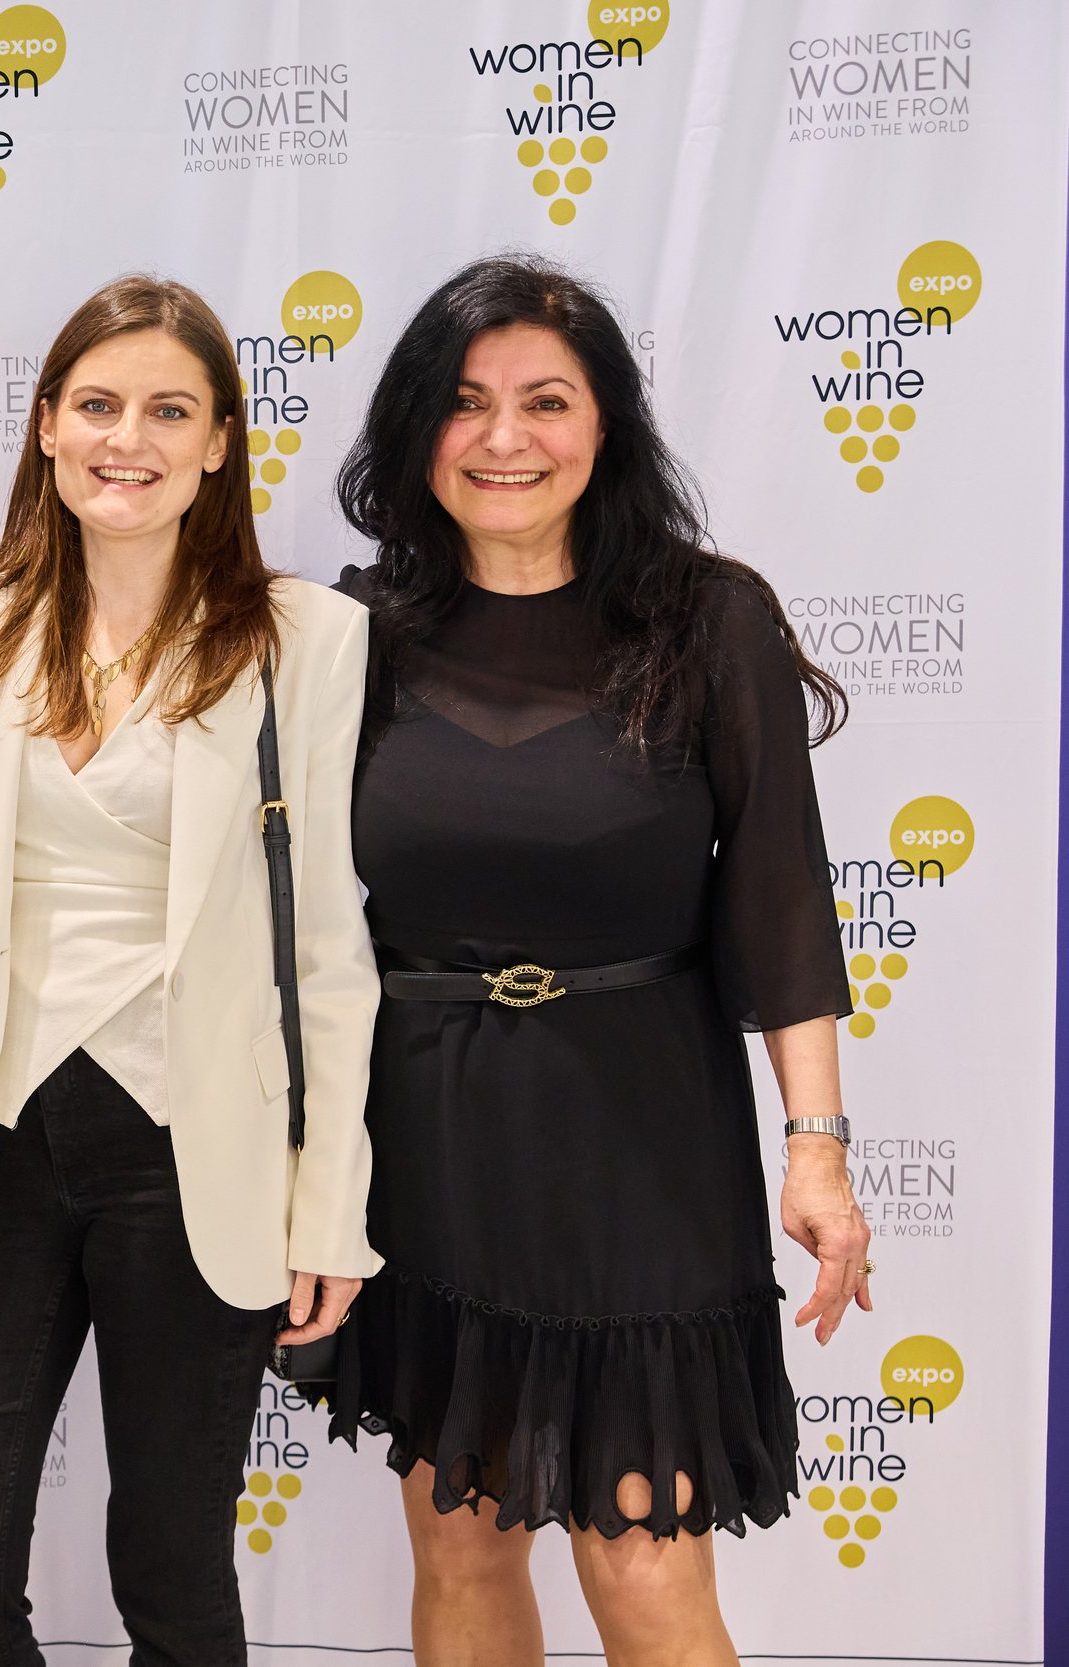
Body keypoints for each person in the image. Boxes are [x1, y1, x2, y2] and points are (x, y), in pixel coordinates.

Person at [324, 256, 867, 1666]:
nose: (505, 438)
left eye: (545, 402)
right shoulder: (352, 638)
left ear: (606, 427)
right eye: (465, 403)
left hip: (642, 1145)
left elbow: (782, 902)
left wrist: (817, 1147)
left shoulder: (708, 621)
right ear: (413, 433)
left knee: (642, 1570)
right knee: (459, 1549)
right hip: (430, 1133)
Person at [0, 275, 380, 1665]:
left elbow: (330, 951)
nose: (130, 437)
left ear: (222, 440)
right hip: (0, 1152)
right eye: (98, 404)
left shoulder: (309, 642)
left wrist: (331, 1208)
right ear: (47, 427)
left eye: (171, 409)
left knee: (167, 1572)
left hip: (197, 1155)